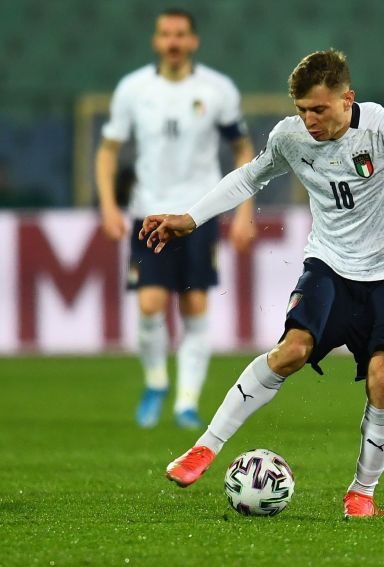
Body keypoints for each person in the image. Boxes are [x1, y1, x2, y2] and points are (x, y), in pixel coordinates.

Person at [139, 49, 384, 518]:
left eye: (319, 109)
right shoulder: (290, 137)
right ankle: (204, 448)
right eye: (302, 110)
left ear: (347, 99)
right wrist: (191, 217)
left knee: (383, 380)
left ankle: (362, 492)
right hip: (329, 264)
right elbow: (251, 176)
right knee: (290, 350)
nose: (309, 120)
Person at [95, 8, 255, 430]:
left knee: (195, 305)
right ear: (156, 40)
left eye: (181, 34)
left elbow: (243, 151)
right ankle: (155, 382)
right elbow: (109, 150)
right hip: (147, 212)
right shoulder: (133, 89)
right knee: (150, 305)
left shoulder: (217, 90)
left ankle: (186, 401)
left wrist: (242, 213)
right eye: (166, 34)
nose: (173, 41)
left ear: (193, 41)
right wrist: (108, 205)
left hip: (196, 215)